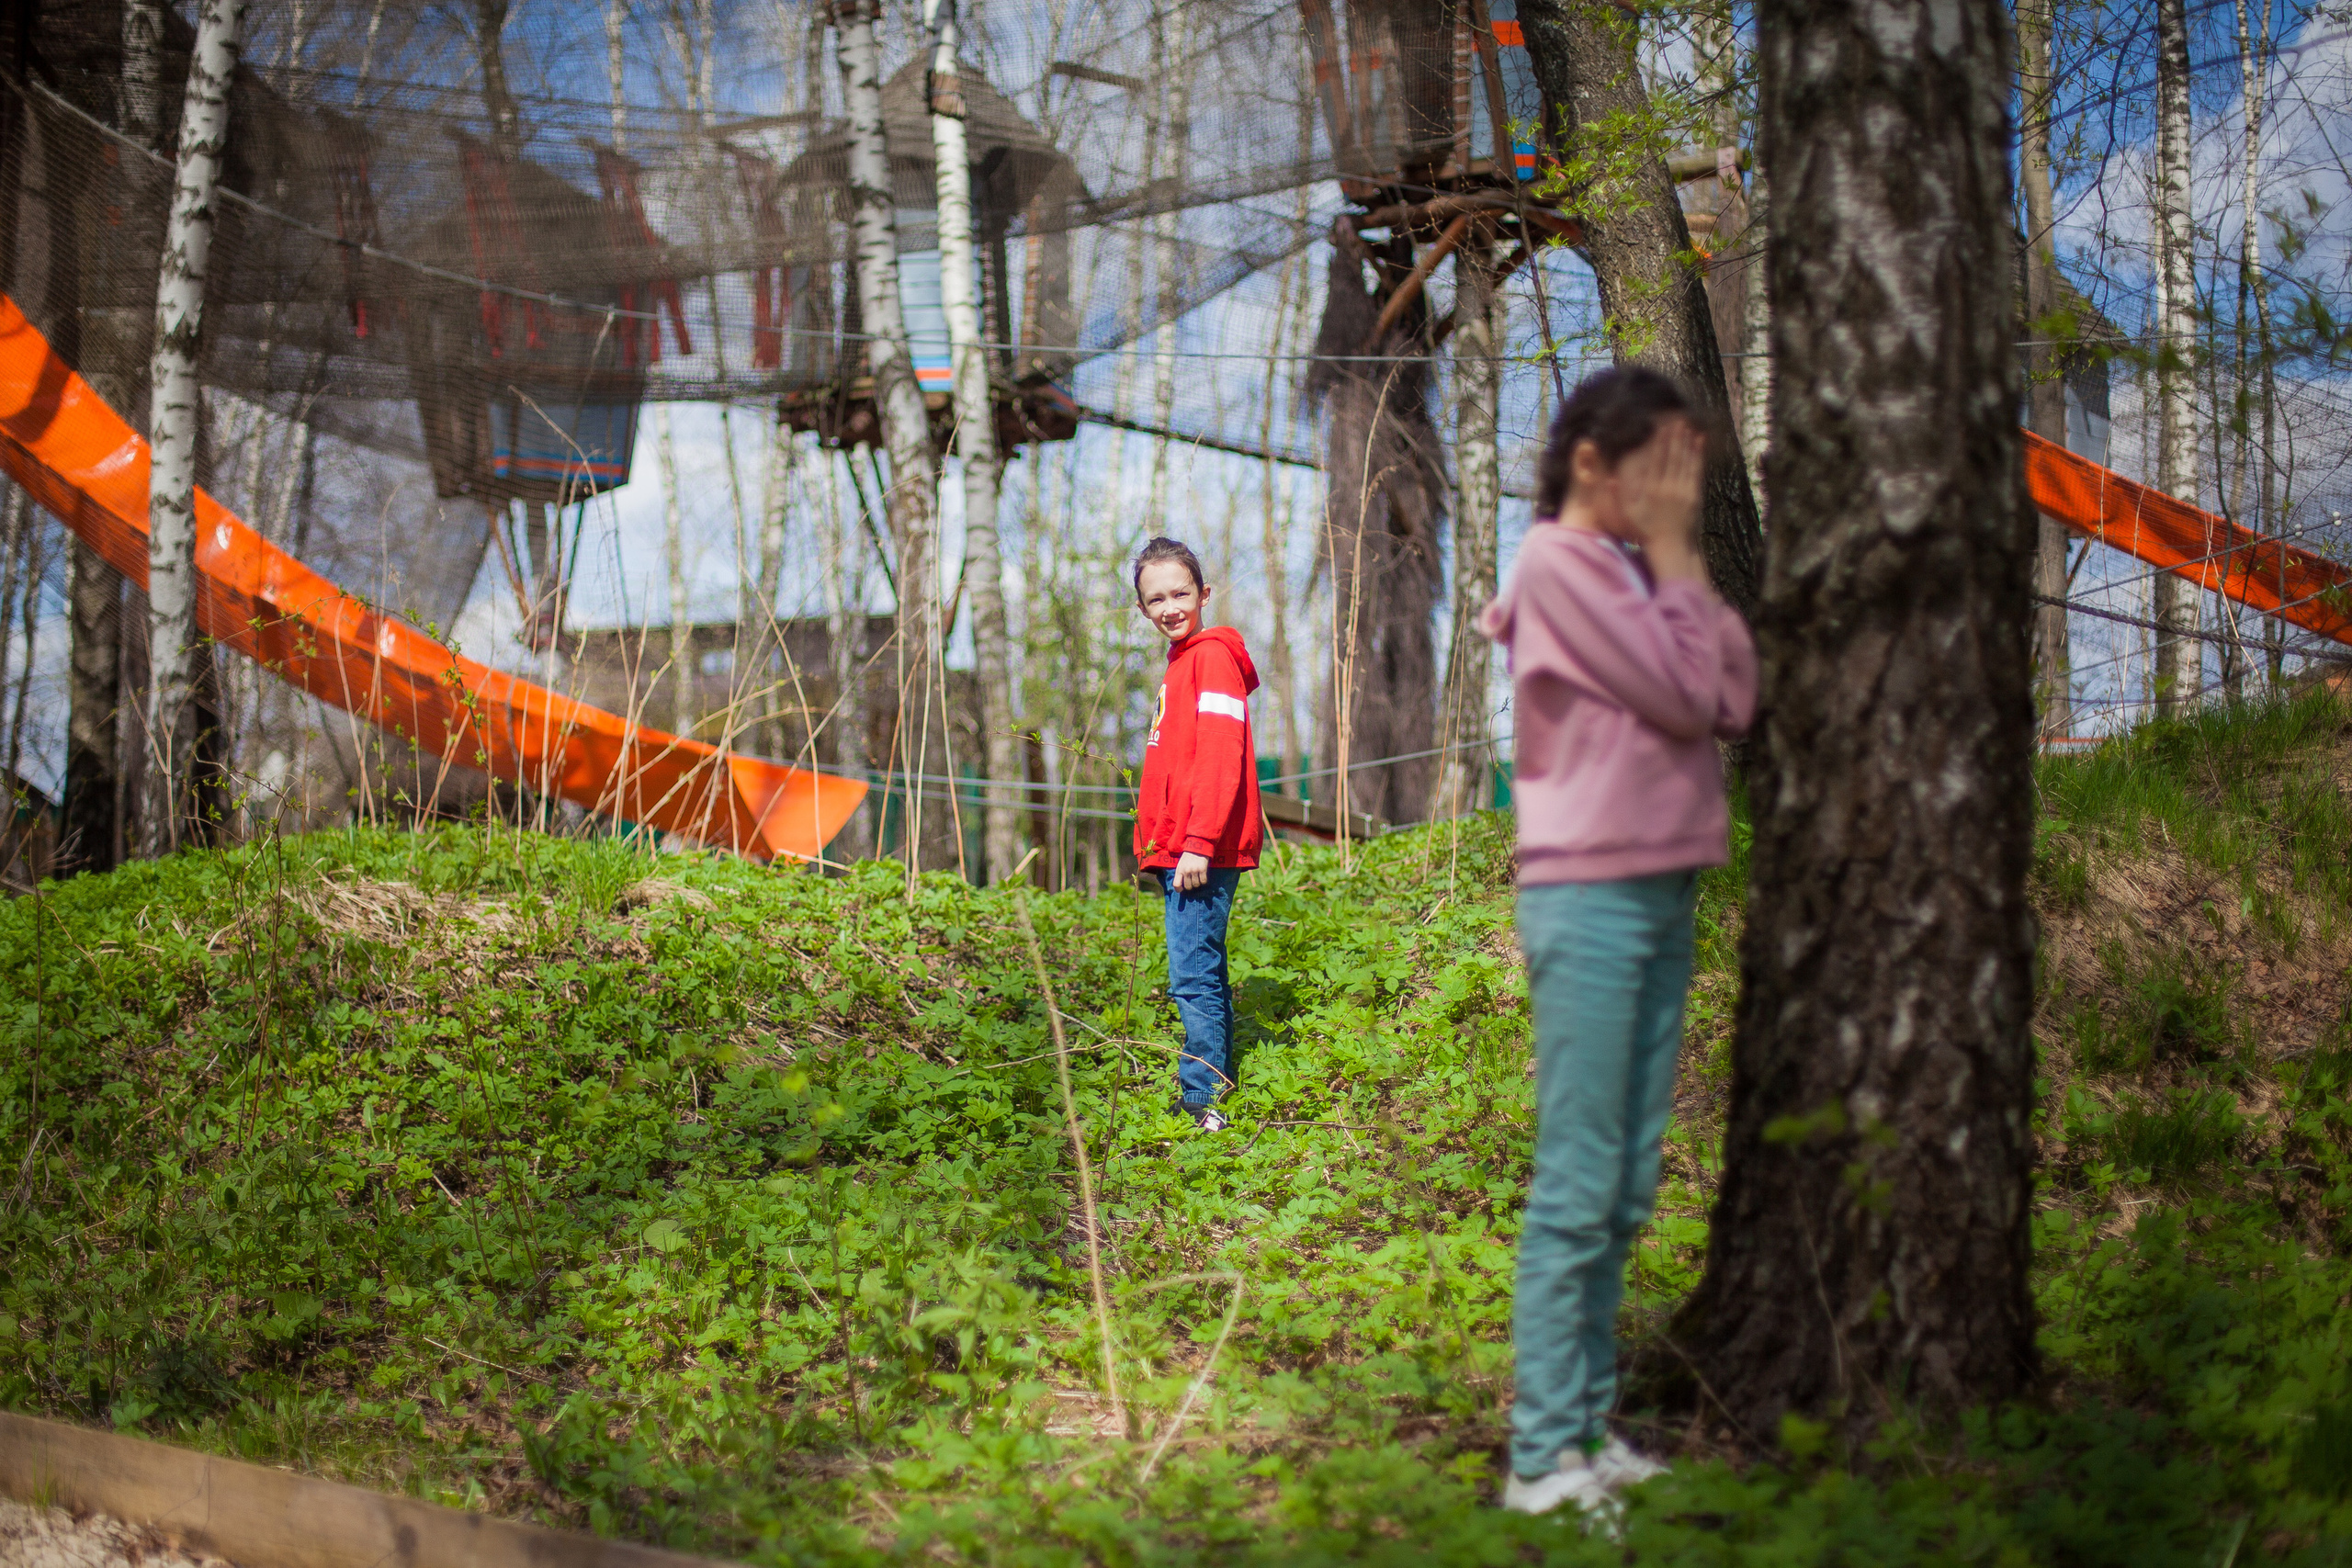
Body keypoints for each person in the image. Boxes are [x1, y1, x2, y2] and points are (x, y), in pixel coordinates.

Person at [1479, 368, 1757, 1519]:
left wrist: (1679, 569)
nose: (1674, 495)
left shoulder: (1635, 577)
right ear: (1593, 461)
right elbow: (1693, 696)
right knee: (1582, 1176)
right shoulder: (1555, 564)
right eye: (1662, 468)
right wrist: (1687, 561)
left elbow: (1734, 689)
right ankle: (1543, 1458)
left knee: (1628, 1178)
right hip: (1586, 896)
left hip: (1660, 888)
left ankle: (1584, 1428)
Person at [1130, 536, 1263, 1134]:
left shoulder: (1210, 659)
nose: (1168, 607)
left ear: (1204, 593)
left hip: (1198, 851)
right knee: (1198, 967)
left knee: (1193, 974)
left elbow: (1219, 758)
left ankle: (1201, 1102)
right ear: (1142, 609)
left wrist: (1198, 842)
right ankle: (1208, 1091)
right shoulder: (1181, 663)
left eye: (1179, 592)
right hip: (1181, 848)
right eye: (1154, 598)